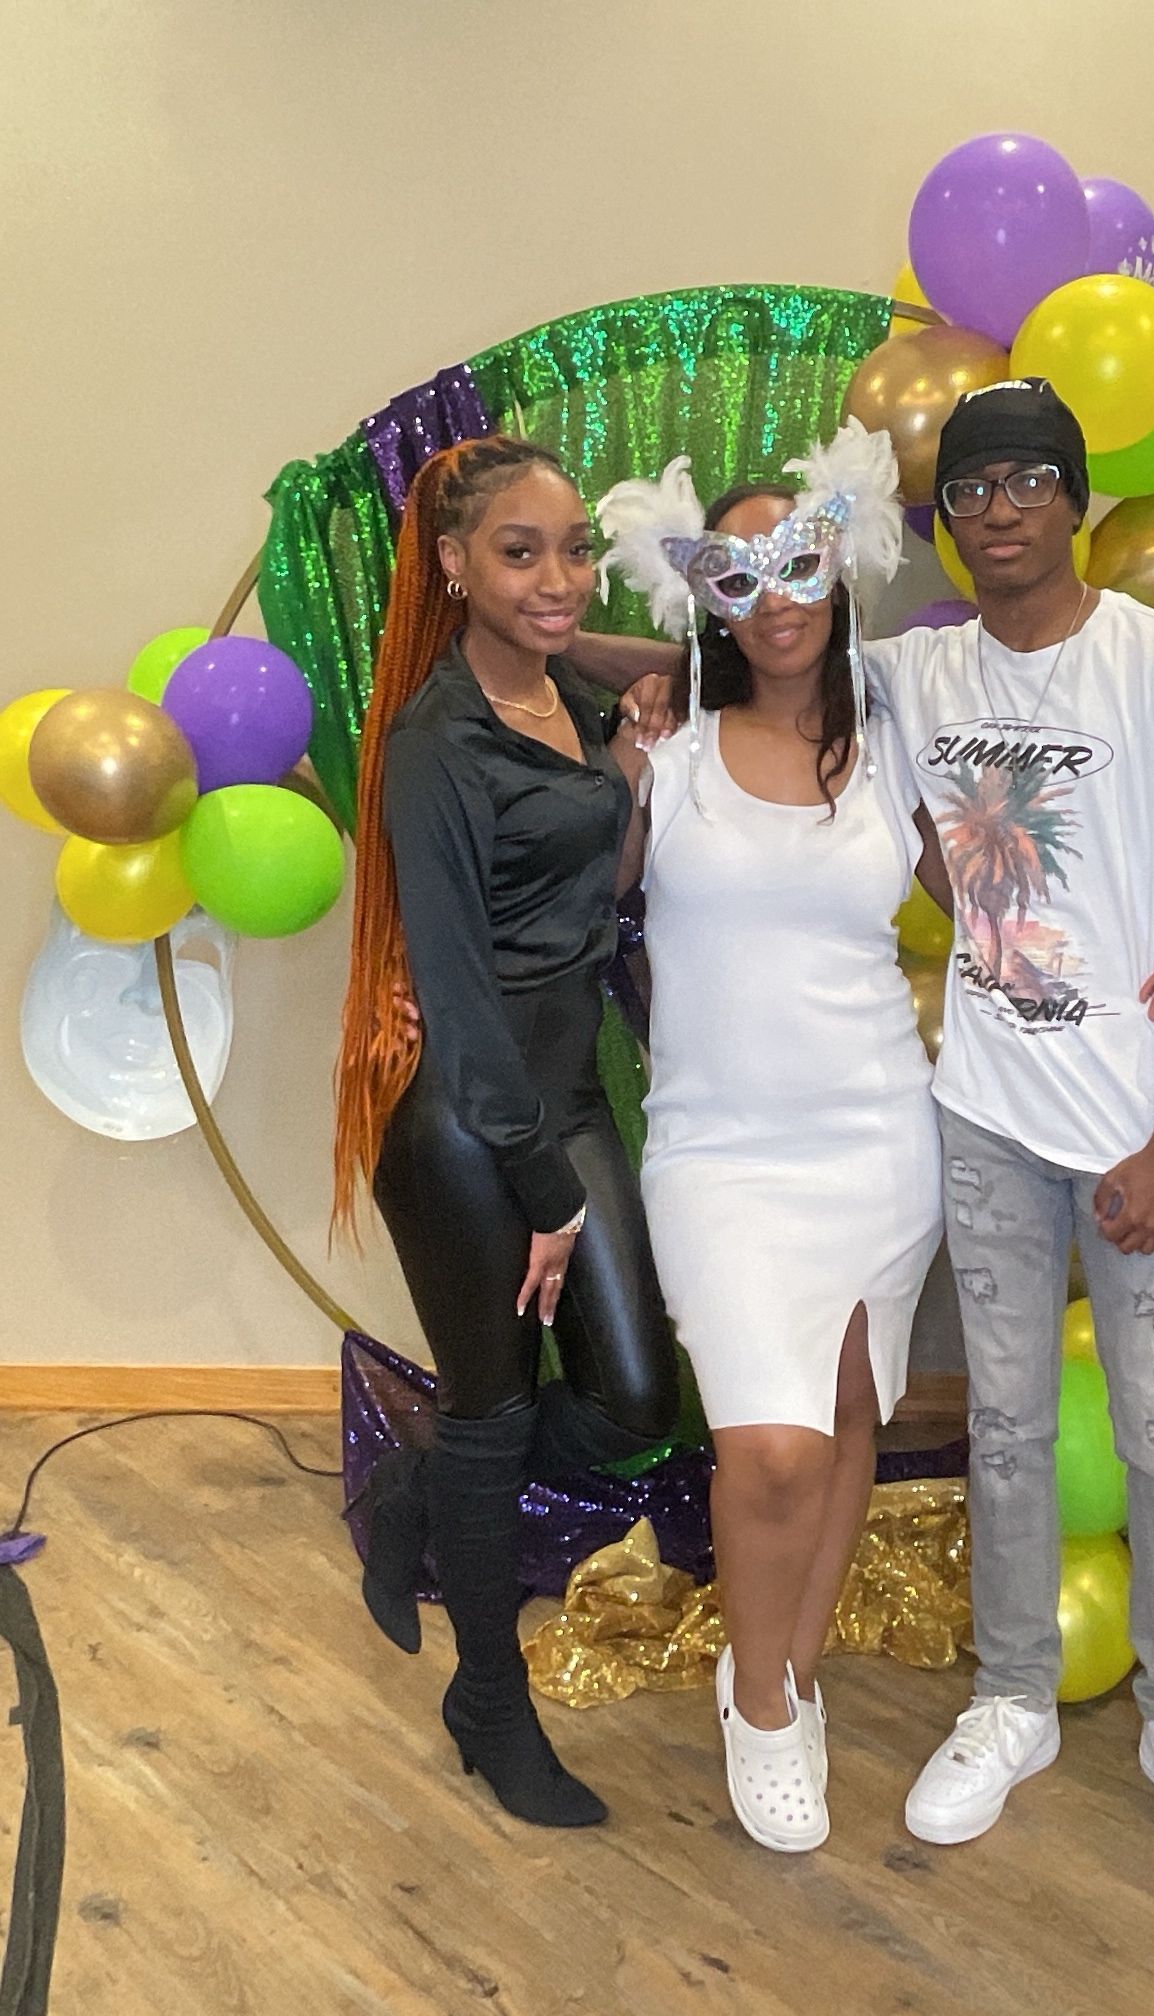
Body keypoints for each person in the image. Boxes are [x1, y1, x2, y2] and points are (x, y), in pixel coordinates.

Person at [860, 379, 1154, 1888]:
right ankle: (1014, 1699)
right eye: (971, 488)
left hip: (1133, 1130)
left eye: (1029, 480)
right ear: (948, 520)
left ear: (1078, 499)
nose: (998, 510)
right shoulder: (914, 677)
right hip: (987, 1115)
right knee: (1005, 1428)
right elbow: (743, 653)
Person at [596, 423, 944, 1852]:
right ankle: (752, 1700)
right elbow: (587, 900)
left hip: (878, 1135)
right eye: (736, 575)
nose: (777, 596)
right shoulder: (663, 752)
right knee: (773, 1449)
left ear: (842, 561)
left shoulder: (897, 730)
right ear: (701, 597)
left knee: (851, 1412)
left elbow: (1003, 885)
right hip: (720, 1156)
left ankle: (795, 1679)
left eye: (801, 560)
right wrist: (642, 702)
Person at [332, 435, 680, 1829]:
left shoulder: (560, 694)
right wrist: (542, 1188)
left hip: (567, 1090)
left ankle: (419, 1490)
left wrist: (621, 731)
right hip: (469, 1123)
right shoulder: (435, 743)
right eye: (518, 552)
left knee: (635, 1402)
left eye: (575, 549)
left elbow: (608, 875)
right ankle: (488, 1697)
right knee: (494, 1411)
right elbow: (459, 997)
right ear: (452, 564)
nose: (559, 577)